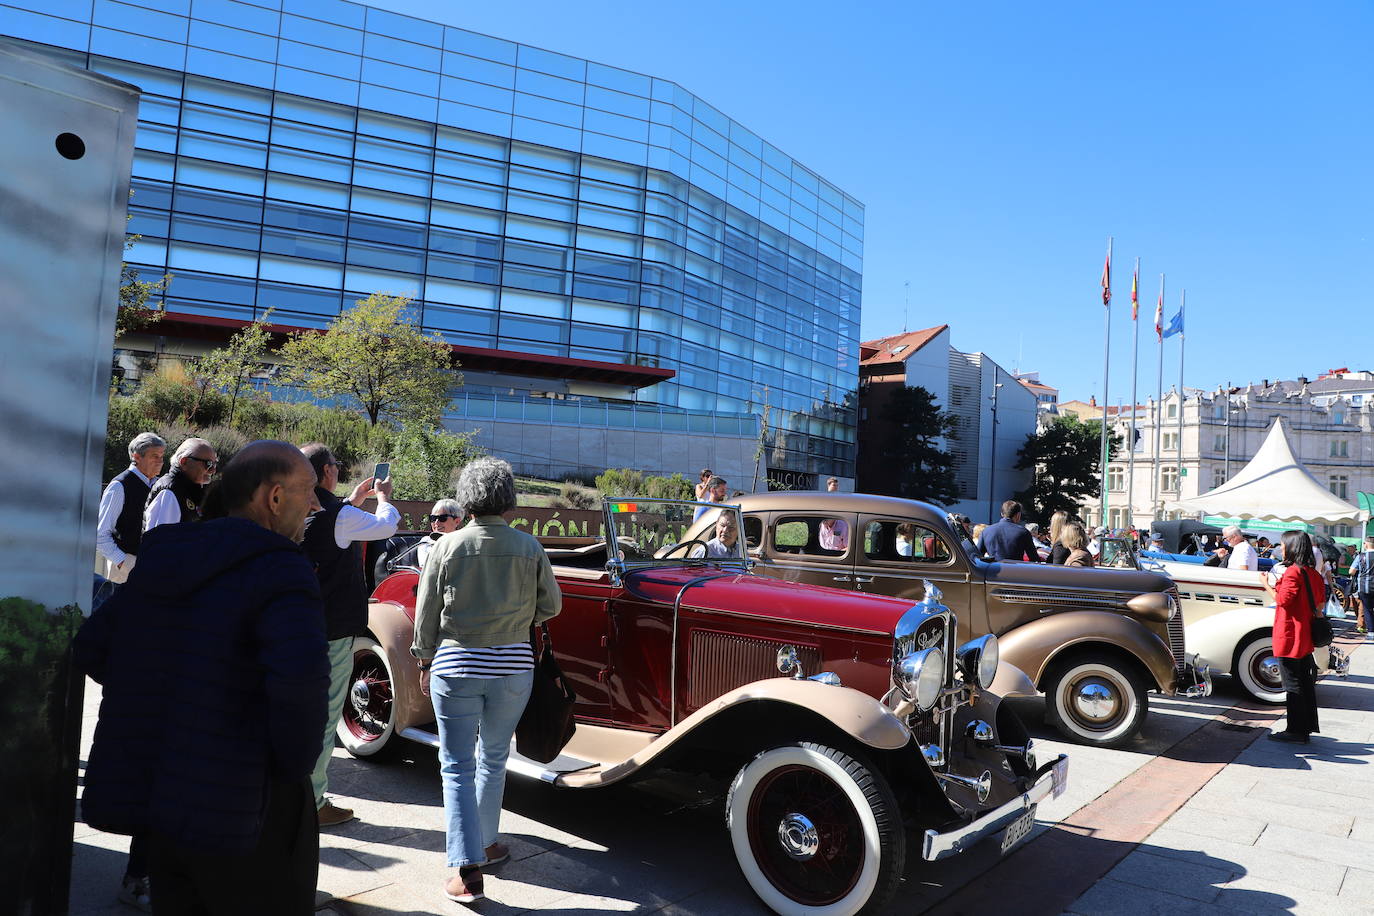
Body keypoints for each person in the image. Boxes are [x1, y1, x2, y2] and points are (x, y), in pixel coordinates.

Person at [73, 441, 329, 914]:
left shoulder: (166, 556)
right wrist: (290, 775)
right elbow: (300, 691)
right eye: (309, 490)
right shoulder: (282, 570)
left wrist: (164, 700)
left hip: (161, 800)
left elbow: (94, 647)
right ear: (274, 498)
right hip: (244, 807)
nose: (315, 504)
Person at [413, 457, 562, 904]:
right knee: (494, 758)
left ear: (467, 498)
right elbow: (551, 605)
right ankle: (488, 843)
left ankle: (465, 868)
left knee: (457, 765)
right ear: (509, 497)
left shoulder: (446, 546)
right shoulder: (529, 546)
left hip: (456, 666)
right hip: (514, 668)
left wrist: (423, 662)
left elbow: (425, 616)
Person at [300, 444, 401, 828]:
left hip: (299, 624)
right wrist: (382, 497)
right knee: (325, 716)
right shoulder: (339, 515)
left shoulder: (299, 505)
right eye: (336, 465)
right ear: (326, 471)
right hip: (333, 630)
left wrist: (352, 500)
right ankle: (313, 800)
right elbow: (387, 526)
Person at [1260, 530, 1323, 744]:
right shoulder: (1313, 573)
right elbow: (1320, 605)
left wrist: (1266, 583)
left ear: (1292, 547)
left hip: (1289, 634)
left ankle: (1295, 730)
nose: (1281, 548)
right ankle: (1306, 727)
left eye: (1284, 544)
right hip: (1305, 634)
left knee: (1292, 684)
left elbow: (1282, 600)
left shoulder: (1293, 572)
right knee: (1305, 681)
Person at [95, 432, 165, 586]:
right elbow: (100, 534)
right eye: (155, 456)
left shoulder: (158, 485)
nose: (160, 461)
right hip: (123, 568)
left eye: (161, 456)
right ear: (137, 457)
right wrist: (124, 563)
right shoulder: (119, 486)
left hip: (150, 567)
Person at [143, 437, 217, 531]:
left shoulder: (192, 489)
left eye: (215, 464)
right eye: (208, 464)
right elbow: (159, 540)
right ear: (184, 462)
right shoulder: (169, 493)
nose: (213, 470)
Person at [418, 499, 465, 569]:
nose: (436, 523)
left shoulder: (464, 542)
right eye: (433, 518)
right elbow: (427, 569)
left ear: (457, 521)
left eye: (442, 518)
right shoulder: (426, 543)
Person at [1348, 537, 1374, 636]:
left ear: (1366, 544)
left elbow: (1351, 571)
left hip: (1364, 586)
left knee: (1367, 609)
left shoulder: (1360, 557)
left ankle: (1371, 632)